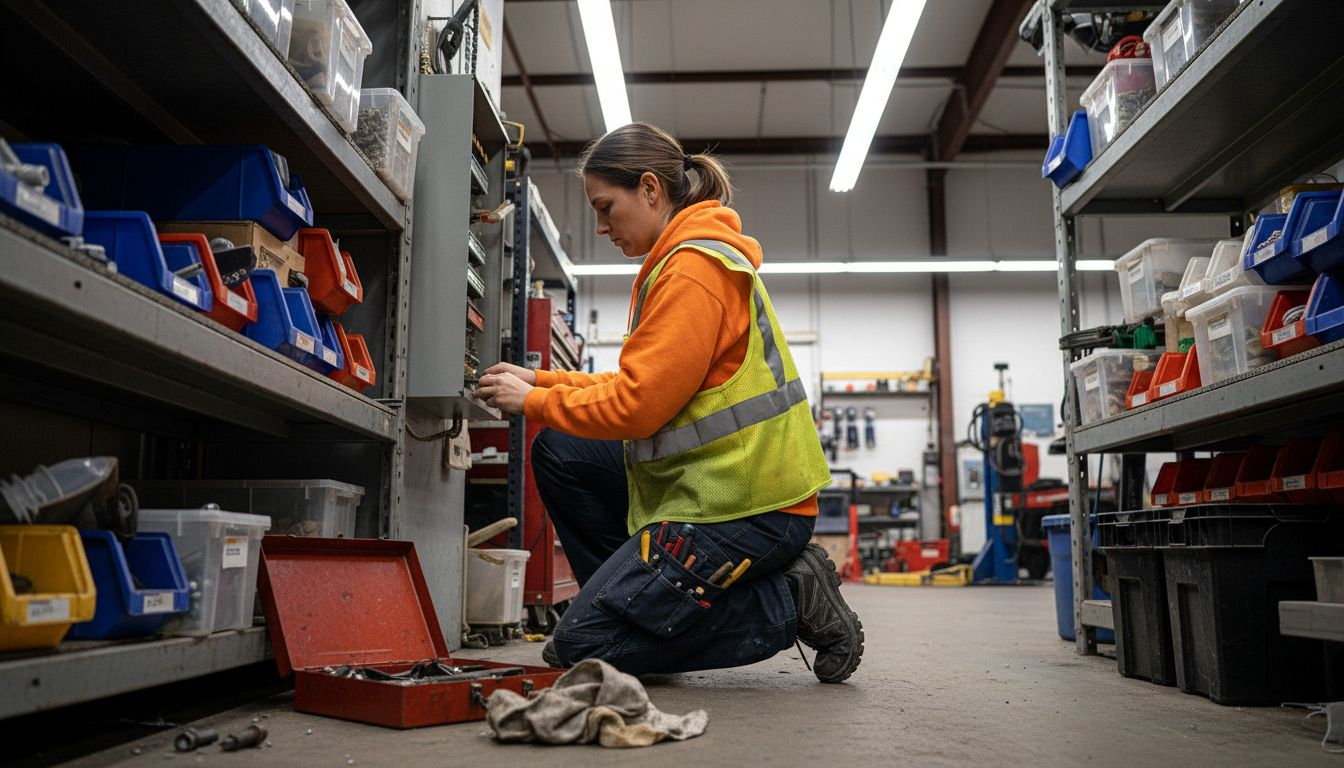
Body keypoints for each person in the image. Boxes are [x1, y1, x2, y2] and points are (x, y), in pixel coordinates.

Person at [473, 122, 863, 683]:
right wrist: (543, 383)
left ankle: (788, 602)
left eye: (607, 207)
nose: (602, 226)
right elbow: (642, 382)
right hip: (715, 484)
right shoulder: (679, 260)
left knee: (582, 646)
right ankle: (644, 614)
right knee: (562, 451)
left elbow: (636, 407)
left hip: (749, 506)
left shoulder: (693, 269)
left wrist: (532, 400)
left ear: (651, 189)